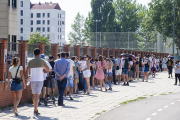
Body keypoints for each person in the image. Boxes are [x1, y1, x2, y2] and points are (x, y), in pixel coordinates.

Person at [26, 48, 49, 115]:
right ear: (39, 53)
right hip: (40, 80)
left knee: (34, 95)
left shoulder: (30, 61)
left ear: (34, 53)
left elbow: (27, 70)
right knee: (37, 95)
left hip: (33, 79)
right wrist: (45, 70)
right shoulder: (42, 61)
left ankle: (35, 109)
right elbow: (48, 69)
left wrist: (27, 77)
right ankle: (36, 110)